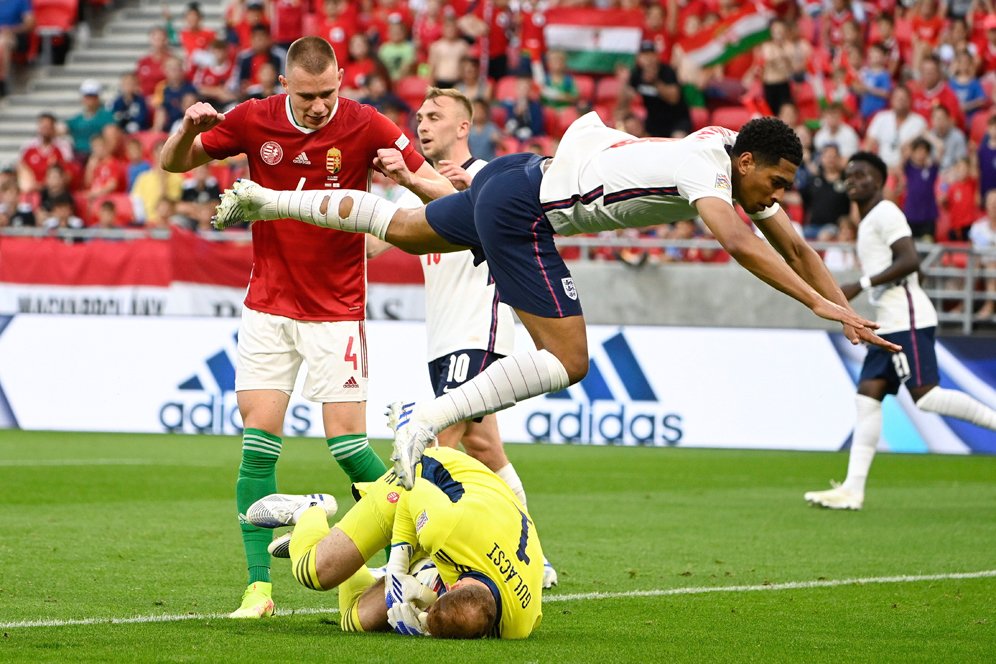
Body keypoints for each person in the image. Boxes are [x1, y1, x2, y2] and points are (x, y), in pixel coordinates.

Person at [213, 113, 901, 489]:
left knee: (399, 225)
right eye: (774, 182)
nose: (776, 197)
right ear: (746, 162)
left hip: (514, 176)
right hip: (526, 211)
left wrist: (843, 307)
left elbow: (795, 247)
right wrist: (817, 307)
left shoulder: (726, 144)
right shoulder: (706, 168)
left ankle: (264, 198)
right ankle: (428, 418)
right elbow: (743, 245)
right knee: (569, 359)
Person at [160, 35, 453, 619]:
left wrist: (406, 177)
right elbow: (173, 163)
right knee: (256, 447)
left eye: (329, 93)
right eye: (309, 96)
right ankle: (258, 591)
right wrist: (188, 126)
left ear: (342, 78)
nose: (321, 106)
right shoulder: (253, 120)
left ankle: (431, 536)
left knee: (348, 447)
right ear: (285, 85)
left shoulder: (367, 125)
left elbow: (444, 195)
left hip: (337, 309)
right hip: (267, 307)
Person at [369, 86, 557, 587]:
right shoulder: (413, 187)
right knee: (486, 449)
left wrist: (411, 179)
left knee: (433, 441)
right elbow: (370, 246)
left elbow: (473, 213)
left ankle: (397, 556)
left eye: (435, 116)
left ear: (463, 127)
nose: (423, 124)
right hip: (445, 340)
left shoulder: (484, 176)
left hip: (479, 333)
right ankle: (534, 557)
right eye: (419, 116)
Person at [804, 152, 996, 511]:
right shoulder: (867, 221)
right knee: (867, 399)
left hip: (906, 320)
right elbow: (912, 271)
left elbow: (910, 259)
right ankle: (852, 490)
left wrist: (860, 284)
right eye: (849, 175)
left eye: (861, 174)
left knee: (928, 397)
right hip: (886, 324)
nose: (853, 180)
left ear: (879, 181)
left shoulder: (886, 212)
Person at [246, 445, 545, 638]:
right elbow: (412, 494)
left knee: (356, 622)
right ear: (451, 587)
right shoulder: (446, 529)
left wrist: (429, 619)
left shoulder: (519, 625)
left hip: (478, 518)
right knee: (315, 572)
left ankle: (349, 547)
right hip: (425, 477)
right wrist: (399, 567)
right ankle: (310, 511)